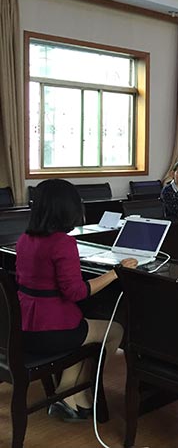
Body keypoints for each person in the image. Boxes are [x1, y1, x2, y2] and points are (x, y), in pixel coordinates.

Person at [15, 179, 136, 421]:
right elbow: (76, 293)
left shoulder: (24, 239)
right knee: (114, 330)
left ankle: (68, 394)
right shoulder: (63, 242)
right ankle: (85, 390)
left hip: (23, 327)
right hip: (53, 331)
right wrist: (116, 273)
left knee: (85, 333)